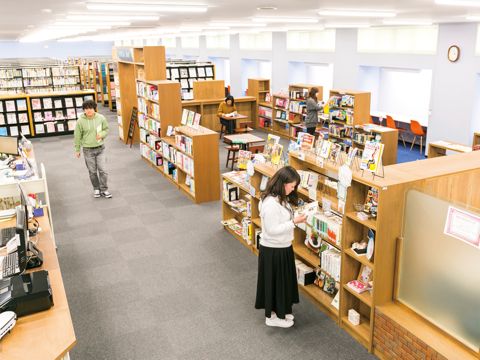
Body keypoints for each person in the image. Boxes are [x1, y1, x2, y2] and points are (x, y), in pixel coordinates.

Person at [255, 166, 307, 328]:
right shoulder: (271, 203)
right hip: (273, 249)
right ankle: (272, 316)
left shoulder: (279, 198)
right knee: (275, 283)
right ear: (283, 183)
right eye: (291, 186)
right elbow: (271, 230)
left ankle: (281, 311)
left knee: (281, 282)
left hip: (282, 247)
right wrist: (293, 222)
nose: (293, 189)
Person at [74, 99, 111, 198]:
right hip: (88, 150)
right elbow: (77, 136)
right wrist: (77, 150)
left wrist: (102, 134)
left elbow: (106, 129)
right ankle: (96, 189)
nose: (89, 110)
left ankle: (104, 189)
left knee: (103, 170)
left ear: (94, 108)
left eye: (90, 108)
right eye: (86, 109)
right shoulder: (80, 121)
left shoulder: (101, 118)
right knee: (92, 171)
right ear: (84, 110)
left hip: (100, 148)